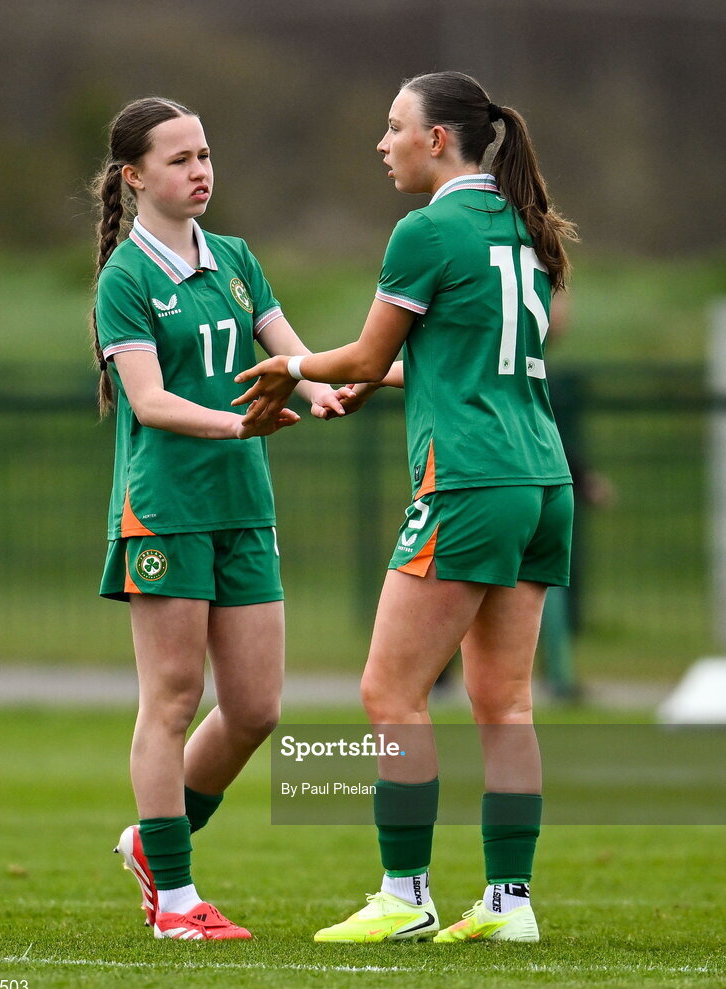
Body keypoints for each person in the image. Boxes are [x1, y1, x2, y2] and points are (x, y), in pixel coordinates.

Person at [235, 71, 578, 944]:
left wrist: (294, 368)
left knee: (389, 692)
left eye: (393, 128)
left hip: (467, 482)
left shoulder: (424, 231)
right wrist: (390, 383)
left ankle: (404, 895)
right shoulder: (527, 227)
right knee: (505, 704)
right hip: (542, 481)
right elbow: (465, 359)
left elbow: (356, 354)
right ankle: (510, 907)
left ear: (438, 140)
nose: (381, 144)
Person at [91, 96, 346, 941]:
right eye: (178, 159)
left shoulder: (235, 257)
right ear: (134, 177)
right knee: (171, 699)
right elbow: (150, 401)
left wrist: (321, 386)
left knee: (255, 710)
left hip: (246, 509)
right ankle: (173, 901)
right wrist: (241, 423)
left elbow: (284, 352)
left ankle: (151, 843)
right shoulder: (125, 279)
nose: (200, 171)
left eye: (205, 154)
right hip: (166, 511)